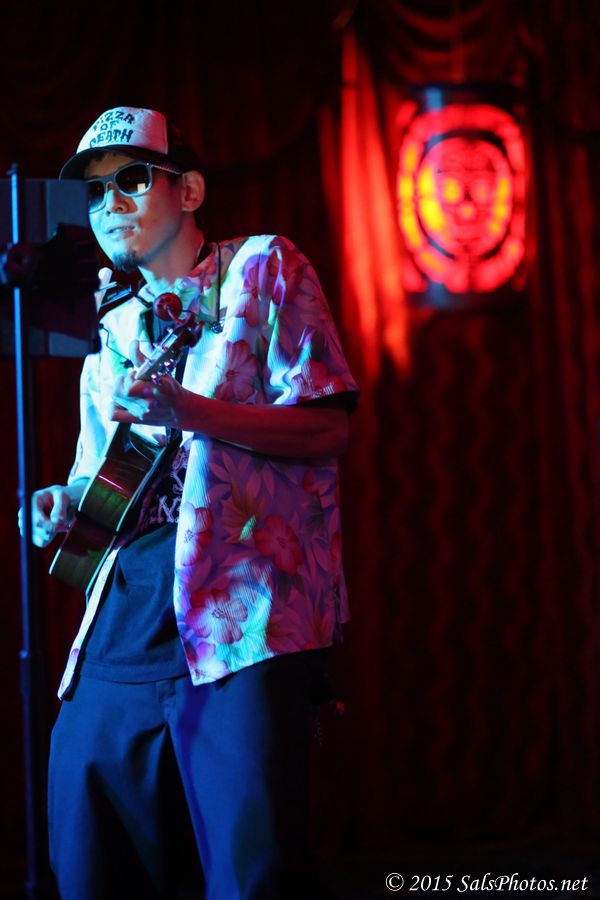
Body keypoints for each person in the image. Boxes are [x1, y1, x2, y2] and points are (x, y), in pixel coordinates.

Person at [25, 107, 358, 900]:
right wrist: (60, 506)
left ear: (190, 191)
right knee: (87, 855)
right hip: (122, 627)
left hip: (238, 624)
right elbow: (96, 490)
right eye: (94, 193)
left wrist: (192, 412)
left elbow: (327, 427)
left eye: (132, 180)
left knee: (251, 872)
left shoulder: (262, 269)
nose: (109, 204)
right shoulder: (110, 333)